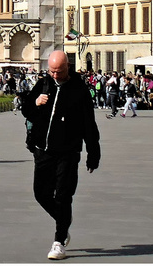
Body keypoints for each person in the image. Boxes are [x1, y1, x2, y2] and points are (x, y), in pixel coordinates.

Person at [20, 51, 101, 261]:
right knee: (41, 194)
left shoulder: (79, 90)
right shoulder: (44, 84)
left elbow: (88, 124)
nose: (55, 75)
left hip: (68, 152)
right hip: (43, 150)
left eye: (59, 71)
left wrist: (93, 153)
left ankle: (59, 241)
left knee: (64, 196)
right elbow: (27, 110)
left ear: (68, 68)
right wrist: (35, 103)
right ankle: (63, 219)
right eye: (52, 71)